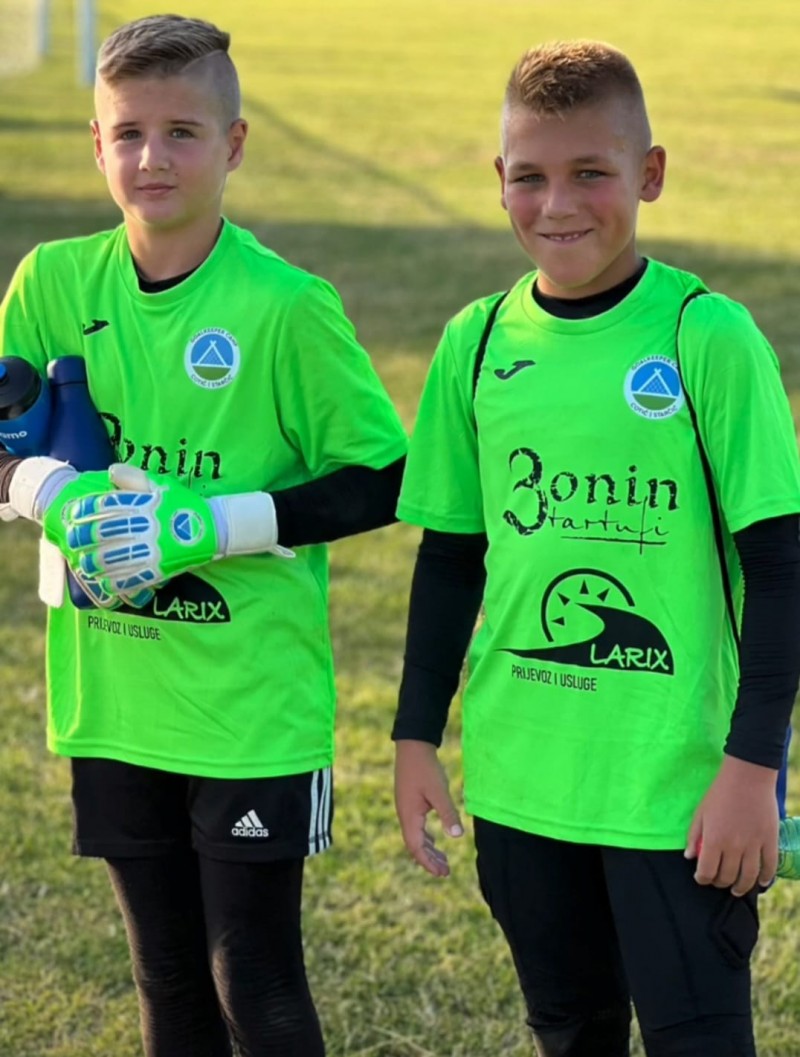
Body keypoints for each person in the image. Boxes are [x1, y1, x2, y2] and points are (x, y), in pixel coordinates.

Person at [0, 14, 407, 1057]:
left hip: (248, 710)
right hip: (115, 697)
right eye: (129, 132)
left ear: (233, 145)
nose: (153, 157)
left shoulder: (286, 306)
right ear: (96, 144)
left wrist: (216, 522)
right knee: (167, 976)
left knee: (253, 978)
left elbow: (387, 477)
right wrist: (45, 488)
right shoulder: (52, 282)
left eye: (182, 132)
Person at [392, 40, 800, 1057]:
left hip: (677, 792)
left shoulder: (705, 337)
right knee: (570, 1031)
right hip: (522, 782)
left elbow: (781, 568)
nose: (557, 204)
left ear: (648, 174)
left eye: (590, 173)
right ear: (499, 179)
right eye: (529, 177)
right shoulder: (475, 343)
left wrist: (752, 767)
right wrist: (414, 735)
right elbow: (449, 558)